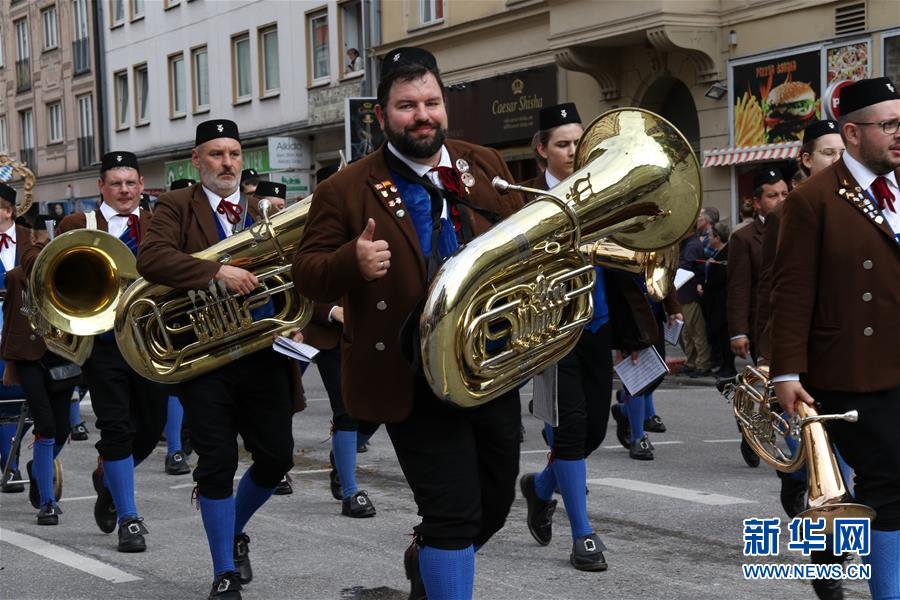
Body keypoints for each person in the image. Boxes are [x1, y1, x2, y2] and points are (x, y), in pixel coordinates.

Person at [293, 47, 525, 600]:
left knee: (492, 506)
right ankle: (440, 554)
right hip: (406, 373)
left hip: (487, 366)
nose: (422, 115)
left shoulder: (484, 163)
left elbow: (524, 240)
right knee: (452, 514)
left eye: (431, 102)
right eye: (406, 105)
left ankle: (426, 559)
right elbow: (305, 273)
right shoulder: (344, 188)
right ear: (381, 115)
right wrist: (352, 261)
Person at [138, 119, 305, 599]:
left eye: (234, 154)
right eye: (216, 154)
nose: (228, 163)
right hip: (205, 360)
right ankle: (223, 570)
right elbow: (151, 259)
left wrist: (291, 318)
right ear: (197, 160)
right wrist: (216, 271)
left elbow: (290, 272)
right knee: (216, 461)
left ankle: (233, 529)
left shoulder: (264, 210)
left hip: (263, 355)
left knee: (276, 458)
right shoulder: (174, 206)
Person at [771, 78, 900, 600]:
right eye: (889, 125)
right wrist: (786, 372)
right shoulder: (812, 201)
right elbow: (791, 292)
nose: (899, 135)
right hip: (851, 368)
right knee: (890, 483)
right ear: (852, 133)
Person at [23, 151, 169, 551]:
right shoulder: (79, 224)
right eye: (116, 183)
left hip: (151, 342)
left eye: (130, 183)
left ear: (141, 185)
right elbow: (41, 261)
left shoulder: (158, 224)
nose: (124, 190)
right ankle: (129, 518)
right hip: (103, 347)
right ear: (101, 187)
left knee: (151, 428)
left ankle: (108, 479)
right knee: (117, 427)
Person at [0, 184, 77, 524]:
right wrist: (10, 359)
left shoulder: (69, 267)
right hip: (28, 352)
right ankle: (47, 501)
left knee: (61, 429)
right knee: (44, 422)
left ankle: (37, 467)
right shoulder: (18, 274)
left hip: (61, 352)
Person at [699, 222, 733, 378]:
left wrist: (705, 286)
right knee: (719, 336)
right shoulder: (718, 254)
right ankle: (724, 365)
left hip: (721, 302)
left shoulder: (725, 255)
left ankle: (728, 366)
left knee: (724, 336)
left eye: (711, 236)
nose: (709, 239)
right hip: (716, 302)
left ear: (718, 237)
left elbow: (719, 279)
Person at [676, 228, 711, 377]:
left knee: (696, 331)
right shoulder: (689, 243)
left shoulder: (692, 245)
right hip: (684, 293)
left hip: (689, 293)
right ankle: (692, 361)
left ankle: (702, 363)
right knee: (687, 332)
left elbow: (684, 266)